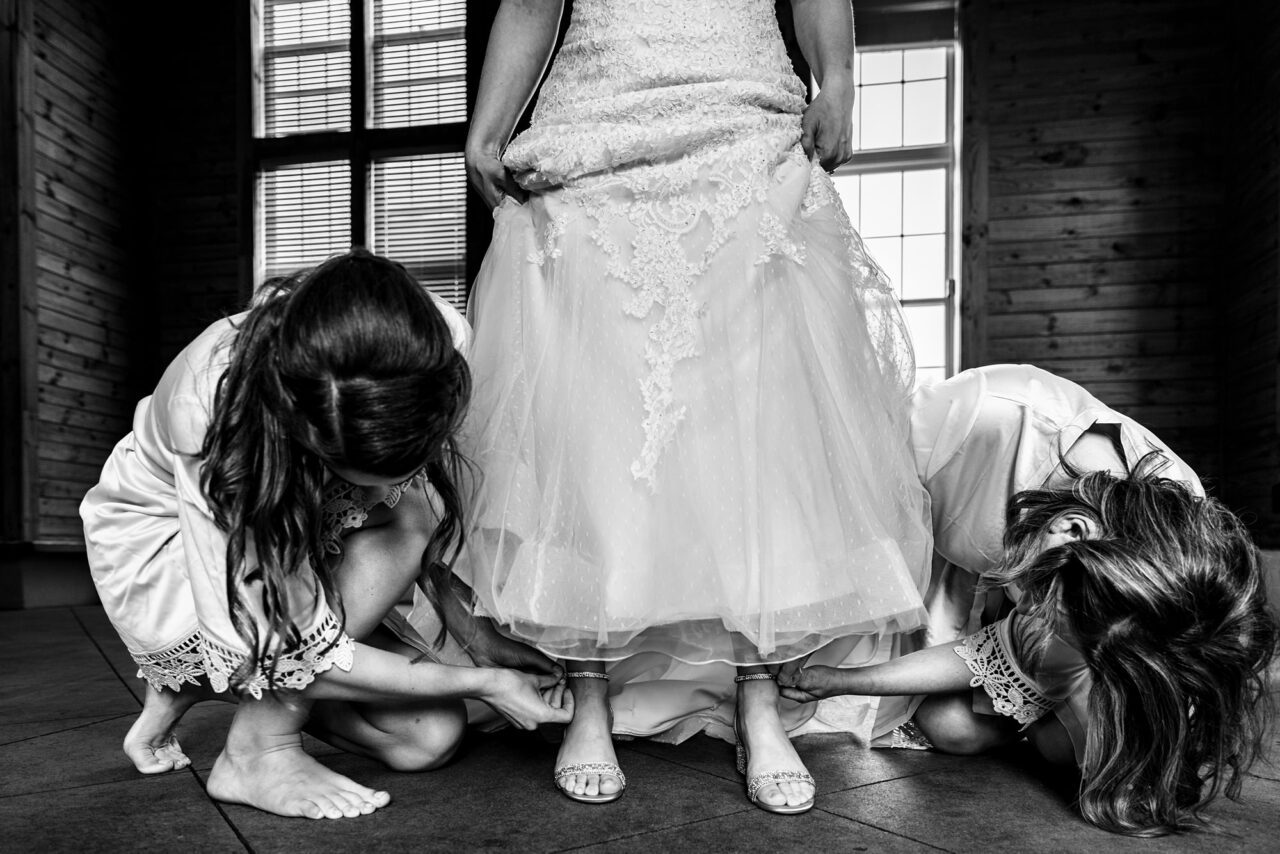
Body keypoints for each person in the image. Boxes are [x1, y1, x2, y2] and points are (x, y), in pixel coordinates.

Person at [460, 0, 932, 813]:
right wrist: (488, 123)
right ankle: (591, 694)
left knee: (762, 407)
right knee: (589, 409)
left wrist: (841, 77)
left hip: (743, 108)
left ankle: (759, 699)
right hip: (595, 114)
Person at [81, 250, 573, 820]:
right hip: (174, 535)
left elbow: (417, 506)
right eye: (356, 475)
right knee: (405, 523)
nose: (376, 491)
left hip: (300, 529)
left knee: (427, 740)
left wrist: (480, 636)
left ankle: (200, 688)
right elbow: (284, 640)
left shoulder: (437, 343)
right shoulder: (215, 416)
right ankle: (254, 751)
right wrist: (486, 681)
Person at [777, 364, 1278, 835]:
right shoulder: (989, 419)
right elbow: (988, 646)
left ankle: (1095, 735)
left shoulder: (1183, 563)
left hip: (1124, 657)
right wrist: (843, 681)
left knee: (982, 731)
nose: (1031, 613)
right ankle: (1060, 721)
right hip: (1030, 601)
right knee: (951, 727)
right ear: (1070, 531)